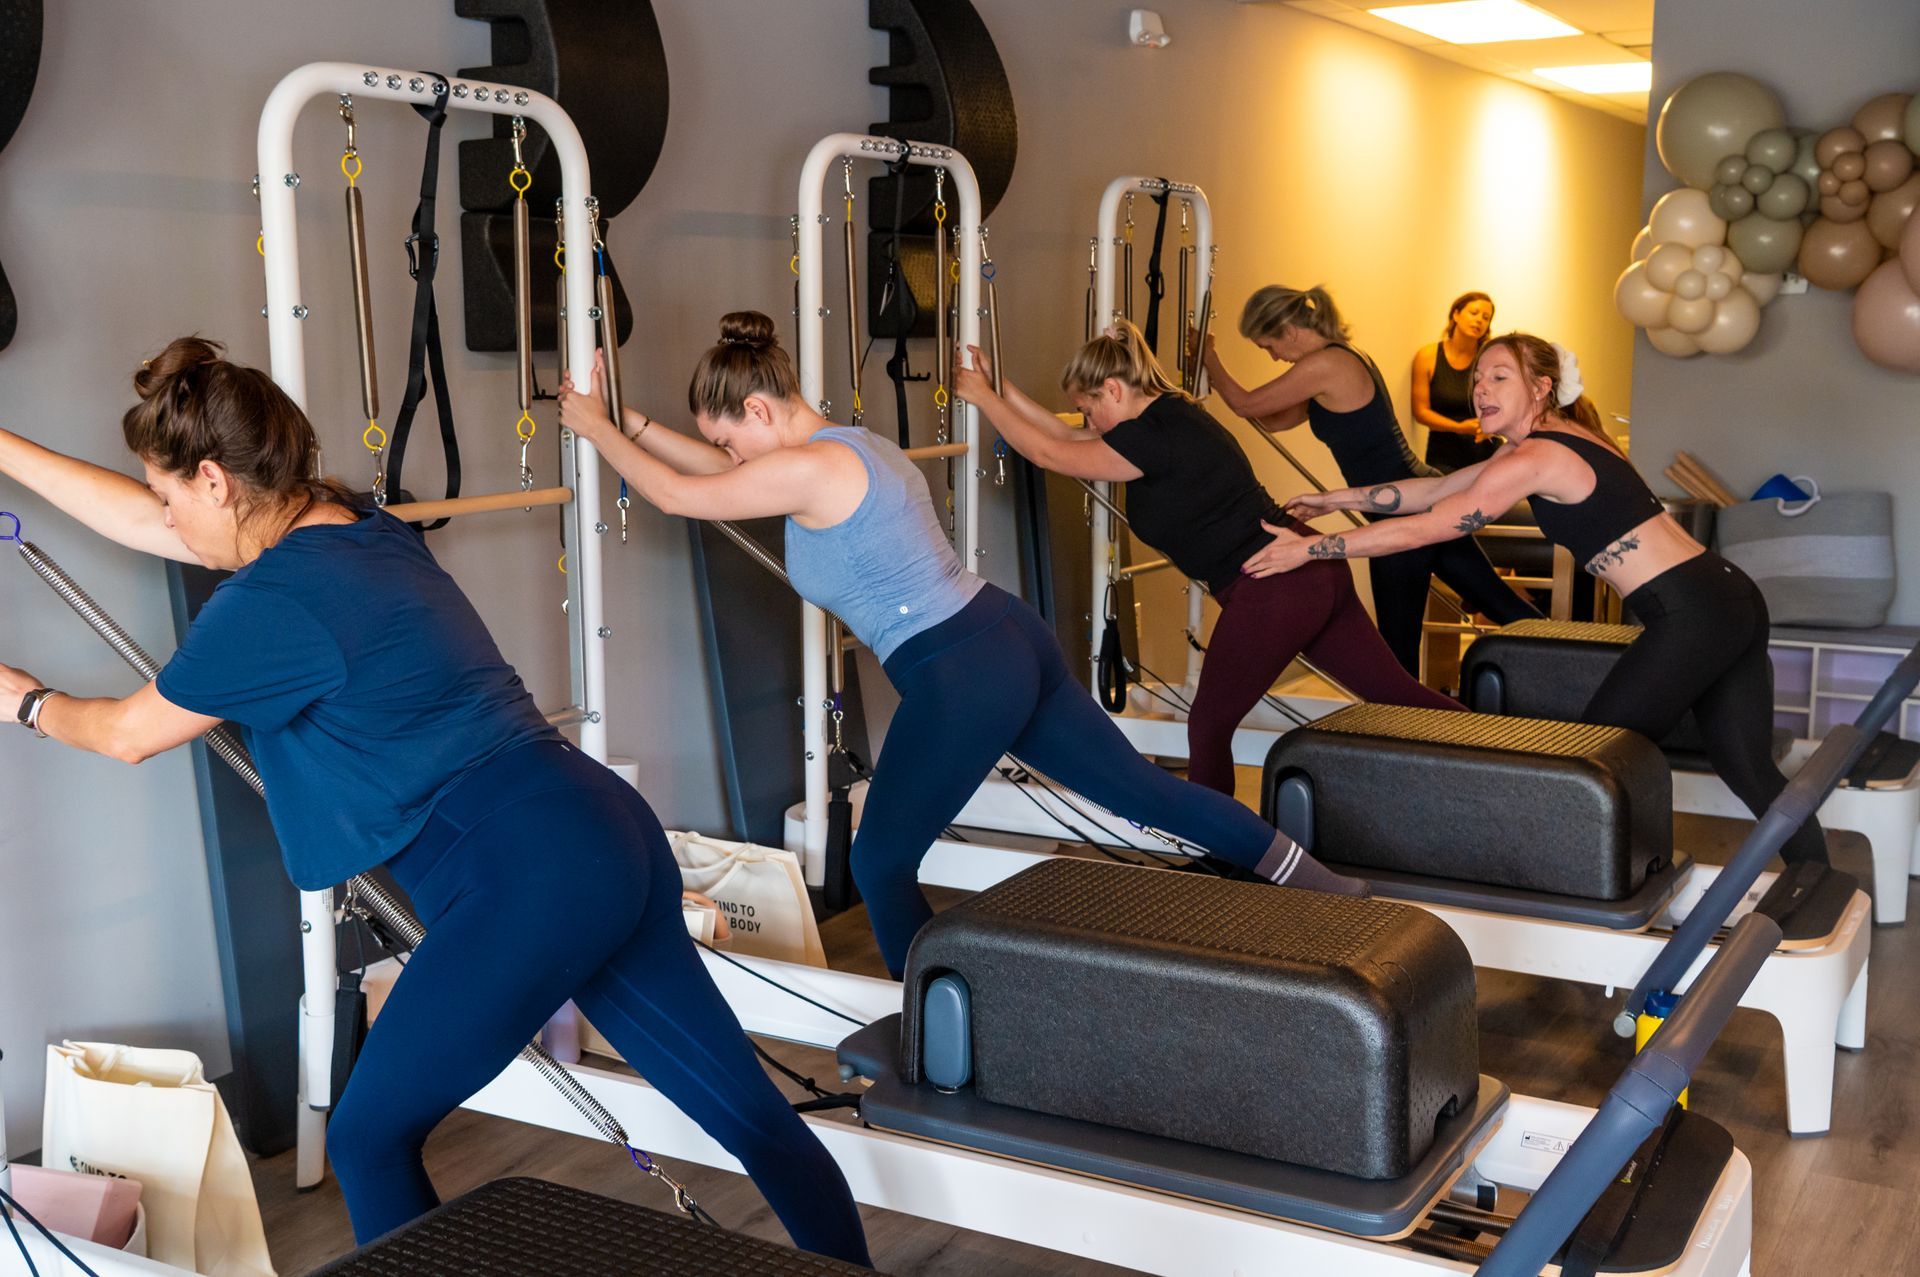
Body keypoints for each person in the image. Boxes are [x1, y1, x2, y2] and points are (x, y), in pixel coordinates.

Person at [0, 339, 872, 1263]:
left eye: (176, 496)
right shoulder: (351, 523)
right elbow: (149, 520)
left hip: (524, 876)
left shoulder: (268, 608)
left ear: (214, 481)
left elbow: (125, 733)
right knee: (753, 1120)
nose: (168, 521)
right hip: (601, 829)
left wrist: (22, 699)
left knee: (367, 1136)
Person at [557, 312, 1369, 978]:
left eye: (733, 440)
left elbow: (674, 492)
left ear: (761, 412)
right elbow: (704, 466)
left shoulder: (805, 471)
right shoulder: (850, 444)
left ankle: (934, 1021)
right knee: (1145, 796)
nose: (730, 457)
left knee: (877, 859)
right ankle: (1332, 891)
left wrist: (592, 425)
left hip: (959, 670)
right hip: (1006, 633)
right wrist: (624, 417)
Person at [1247, 333, 1828, 866]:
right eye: (1477, 378)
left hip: (1694, 609)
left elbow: (1435, 526)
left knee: (1594, 759)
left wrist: (1314, 549)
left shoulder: (1537, 457)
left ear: (1541, 387)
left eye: (1499, 376)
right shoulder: (1550, 442)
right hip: (1724, 596)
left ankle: (1617, 879)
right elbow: (1436, 488)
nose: (1480, 388)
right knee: (1746, 766)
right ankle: (1814, 882)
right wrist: (1334, 499)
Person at [956, 321, 1460, 795]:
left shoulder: (1147, 438)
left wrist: (982, 397)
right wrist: (998, 383)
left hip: (1274, 585)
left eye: (1090, 408)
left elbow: (1048, 454)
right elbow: (1063, 437)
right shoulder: (1171, 414)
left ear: (1113, 389)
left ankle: (1218, 853)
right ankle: (1517, 745)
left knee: (1209, 723)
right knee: (1395, 693)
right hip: (1310, 571)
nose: (1088, 421)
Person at [1198, 284, 1538, 677]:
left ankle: (1403, 730)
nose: (1273, 356)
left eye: (1268, 346)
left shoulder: (1326, 365)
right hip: (1413, 498)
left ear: (1288, 332)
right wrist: (1212, 377)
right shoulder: (1337, 361)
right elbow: (1270, 420)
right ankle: (1577, 664)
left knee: (1399, 648)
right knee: (1498, 604)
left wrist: (1210, 359)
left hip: (1402, 507)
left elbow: (1246, 404)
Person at [1412, 292, 1498, 473]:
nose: (1479, 321)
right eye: (1474, 313)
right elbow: (1420, 412)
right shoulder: (1427, 356)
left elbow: (1504, 402)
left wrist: (1494, 426)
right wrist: (1459, 428)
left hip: (1484, 452)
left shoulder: (1490, 358)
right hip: (1443, 453)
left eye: (1486, 318)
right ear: (1456, 314)